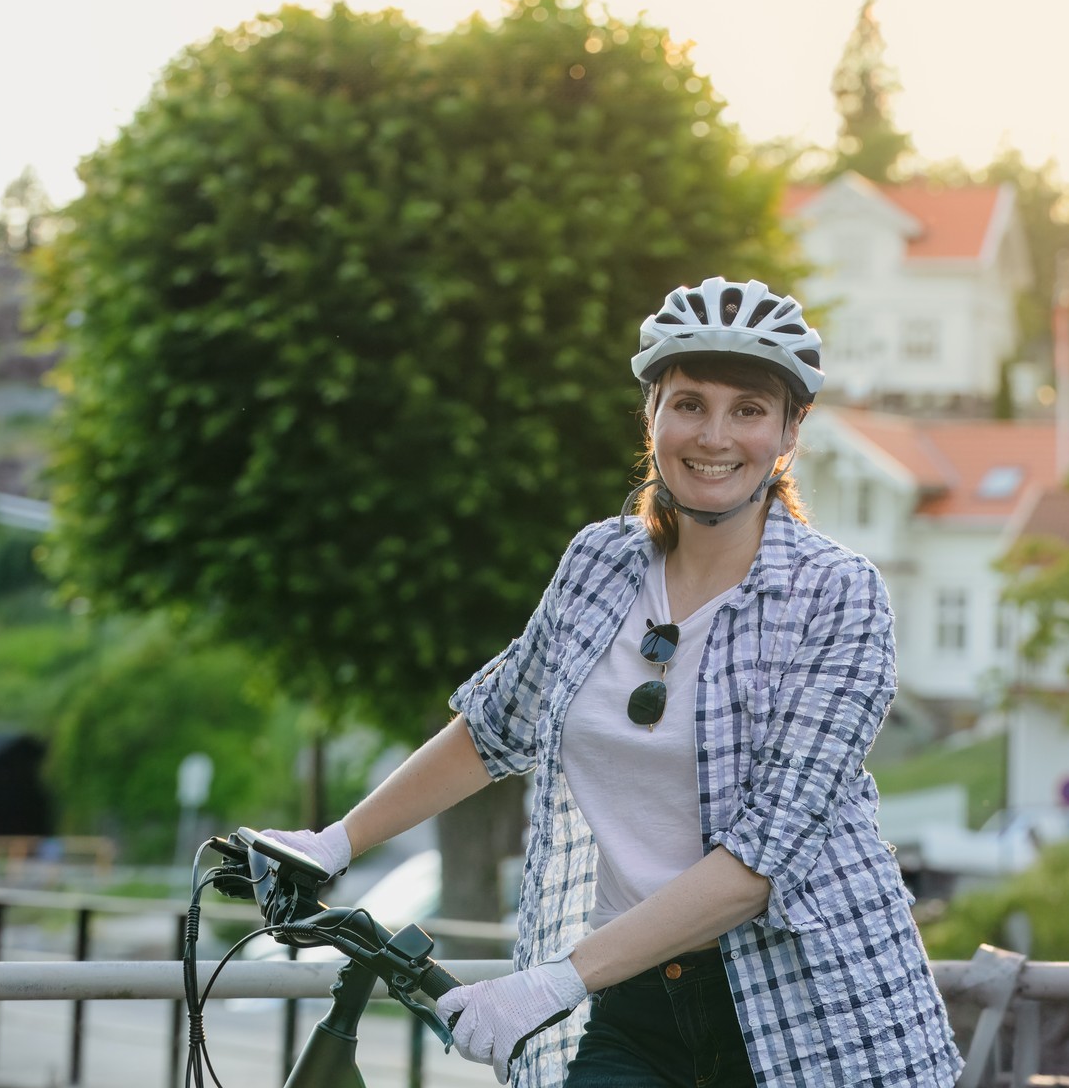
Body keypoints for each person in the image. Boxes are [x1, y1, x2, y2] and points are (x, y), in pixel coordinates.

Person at [261, 277, 963, 1087]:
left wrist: (550, 984)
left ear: (788, 433)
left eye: (748, 410)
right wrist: (334, 842)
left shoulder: (839, 596)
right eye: (689, 403)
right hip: (636, 1007)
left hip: (807, 1011)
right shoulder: (600, 563)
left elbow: (761, 863)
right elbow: (495, 727)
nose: (715, 435)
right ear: (652, 416)